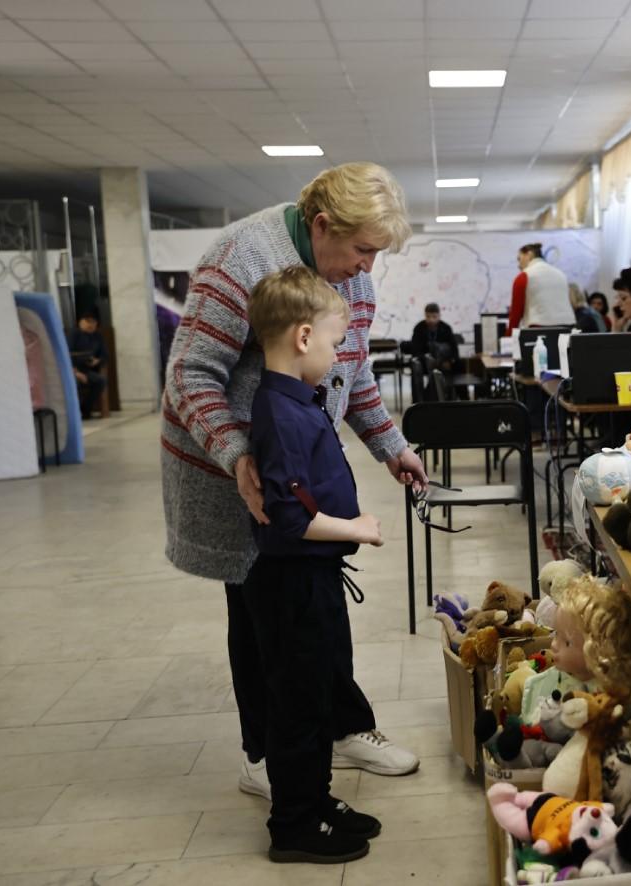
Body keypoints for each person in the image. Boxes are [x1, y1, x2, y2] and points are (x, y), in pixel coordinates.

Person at [161, 163, 428, 804]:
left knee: (316, 604)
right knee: (262, 615)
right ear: (321, 225)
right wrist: (237, 458)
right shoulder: (241, 258)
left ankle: (342, 727)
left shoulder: (348, 280)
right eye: (362, 249)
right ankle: (266, 751)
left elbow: (350, 369)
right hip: (232, 466)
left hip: (298, 463)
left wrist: (391, 444)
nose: (366, 268)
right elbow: (190, 375)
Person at [243, 266, 383, 864]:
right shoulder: (279, 413)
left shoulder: (297, 402)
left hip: (314, 578)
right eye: (331, 343)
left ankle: (315, 798)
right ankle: (293, 826)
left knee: (318, 695)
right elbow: (290, 517)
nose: (334, 356)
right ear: (303, 339)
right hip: (292, 582)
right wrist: (357, 528)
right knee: (298, 706)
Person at [507, 242, 574, 333]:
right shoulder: (561, 274)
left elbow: (516, 313)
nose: (518, 265)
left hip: (539, 329)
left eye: (519, 259)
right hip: (568, 328)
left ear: (529, 255)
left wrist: (508, 338)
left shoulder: (524, 276)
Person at [70, 308, 108, 419]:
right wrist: (76, 372)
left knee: (101, 381)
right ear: (80, 322)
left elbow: (105, 354)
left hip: (87, 371)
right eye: (87, 321)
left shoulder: (98, 336)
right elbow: (67, 355)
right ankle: (75, 413)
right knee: (75, 383)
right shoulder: (74, 335)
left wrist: (98, 361)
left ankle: (85, 409)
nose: (90, 324)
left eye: (93, 322)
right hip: (73, 371)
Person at [407, 302, 459, 372]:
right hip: (424, 359)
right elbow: (415, 349)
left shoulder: (446, 328)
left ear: (439, 316)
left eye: (434, 317)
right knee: (416, 363)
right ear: (425, 316)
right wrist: (426, 358)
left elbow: (454, 348)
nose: (431, 320)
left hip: (443, 359)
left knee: (456, 364)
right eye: (428, 316)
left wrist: (450, 361)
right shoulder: (419, 328)